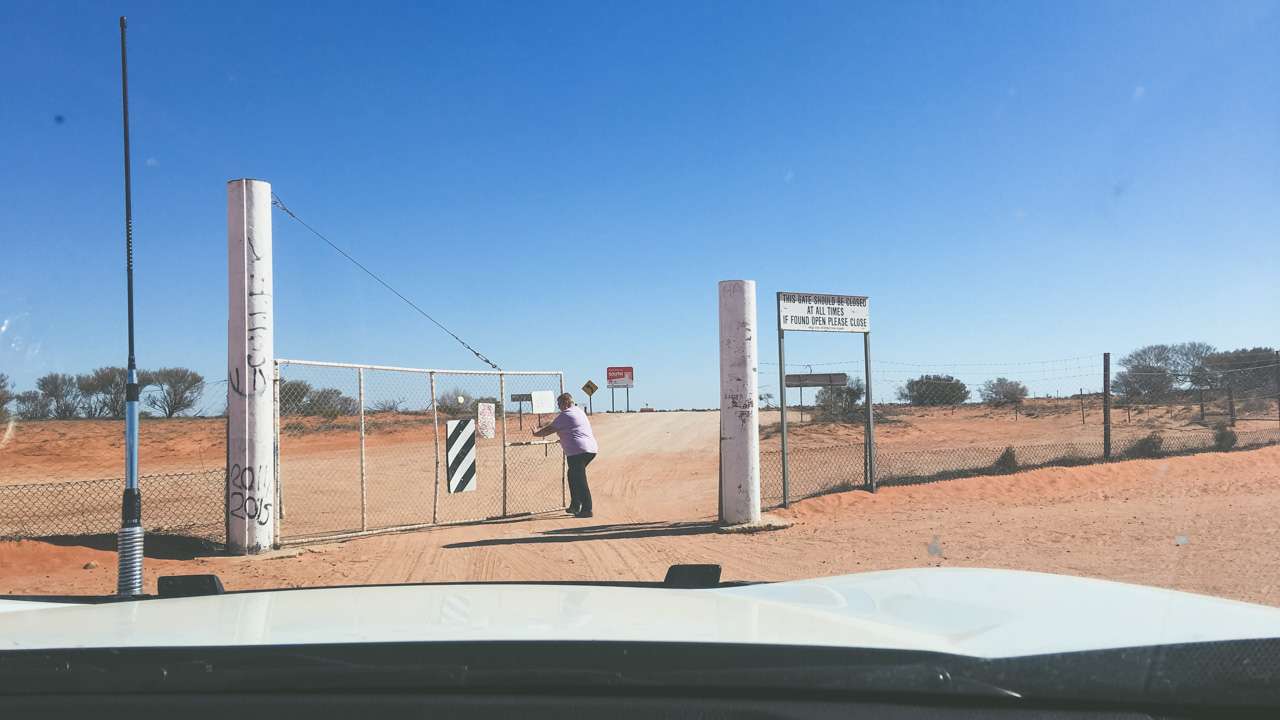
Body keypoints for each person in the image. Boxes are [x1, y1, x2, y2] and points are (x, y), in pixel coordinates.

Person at [533, 393, 598, 518]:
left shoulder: (566, 414)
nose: (559, 407)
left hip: (578, 451)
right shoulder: (578, 411)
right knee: (572, 475)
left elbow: (550, 429)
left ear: (566, 402)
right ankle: (575, 505)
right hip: (589, 449)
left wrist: (536, 434)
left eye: (560, 404)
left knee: (579, 479)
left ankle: (587, 509)